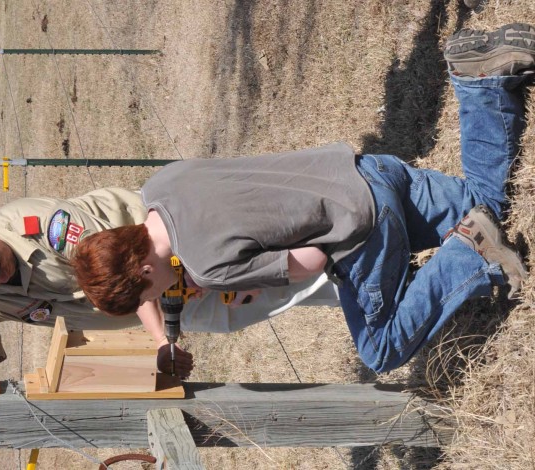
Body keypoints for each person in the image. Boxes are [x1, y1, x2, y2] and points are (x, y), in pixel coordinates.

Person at [72, 23, 532, 376]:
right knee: (484, 202)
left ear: (144, 271)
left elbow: (311, 261)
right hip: (365, 170)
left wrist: (251, 278)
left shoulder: (207, 268)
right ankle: (481, 83)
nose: (155, 298)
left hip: (362, 225)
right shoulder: (159, 185)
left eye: (145, 294)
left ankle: (467, 251)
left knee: (379, 351)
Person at [0, 187, 340, 433]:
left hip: (170, 256)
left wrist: (163, 339)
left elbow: (129, 275)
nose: (0, 281)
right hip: (151, 299)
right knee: (257, 304)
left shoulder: (41, 224)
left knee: (279, 275)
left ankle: (355, 263)